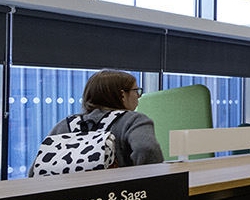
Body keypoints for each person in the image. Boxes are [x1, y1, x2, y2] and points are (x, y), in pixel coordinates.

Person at [30, 69, 162, 175]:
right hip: (117, 195)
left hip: (69, 198)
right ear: (122, 94)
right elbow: (147, 149)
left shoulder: (66, 124)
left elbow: (36, 168)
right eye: (136, 91)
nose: (139, 96)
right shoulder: (133, 120)